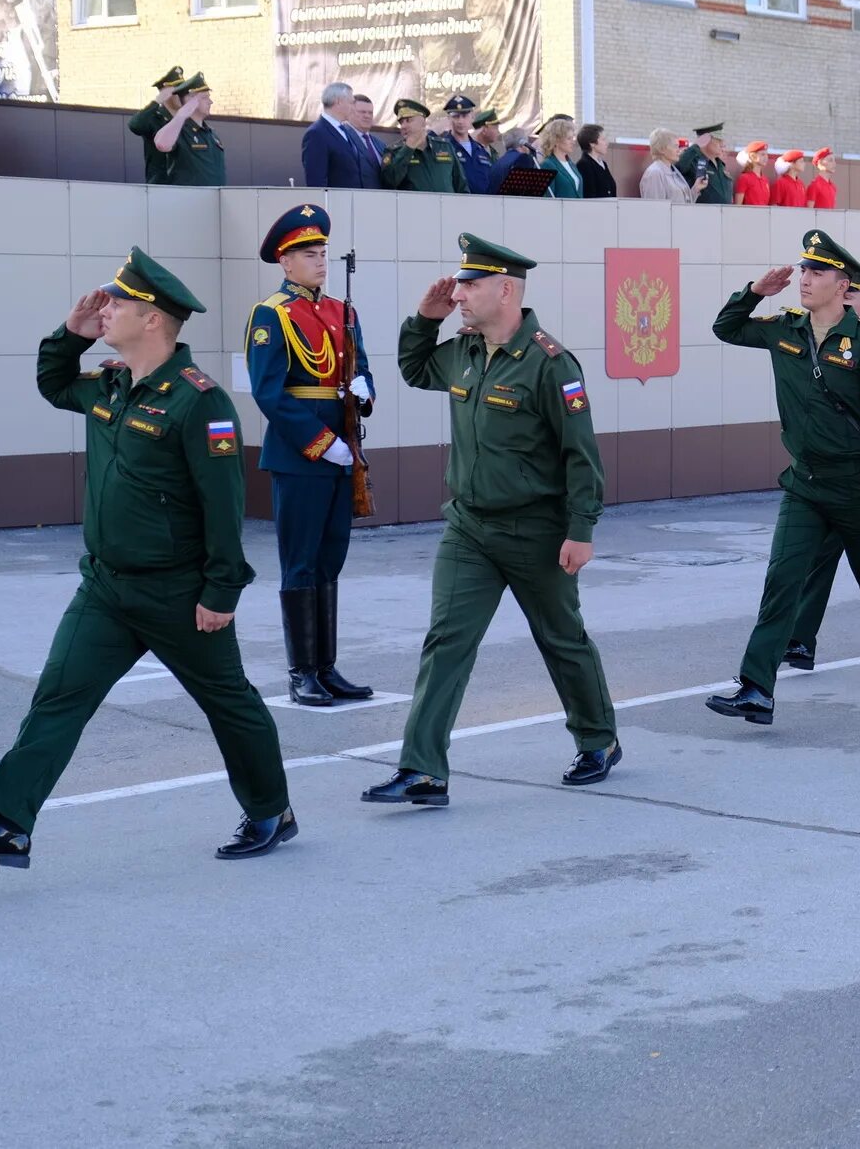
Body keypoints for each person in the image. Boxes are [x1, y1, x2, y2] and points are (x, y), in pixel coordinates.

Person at [0, 250, 296, 868]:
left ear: (155, 319)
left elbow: (224, 506)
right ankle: (9, 822)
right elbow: (54, 384)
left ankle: (272, 809)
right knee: (59, 695)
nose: (103, 310)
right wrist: (71, 335)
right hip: (105, 587)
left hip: (178, 592)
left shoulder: (200, 403)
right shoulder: (110, 384)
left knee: (228, 702)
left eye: (116, 304)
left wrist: (222, 591)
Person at [365, 234, 620, 806]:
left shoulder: (551, 363)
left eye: (469, 284)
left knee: (560, 638)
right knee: (446, 643)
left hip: (537, 530)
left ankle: (598, 739)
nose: (458, 293)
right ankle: (423, 769)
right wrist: (423, 320)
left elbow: (581, 454)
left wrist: (581, 530)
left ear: (505, 289)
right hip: (469, 528)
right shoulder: (465, 350)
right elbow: (413, 369)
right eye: (458, 284)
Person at [705, 232, 860, 723]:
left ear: (843, 285)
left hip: (859, 489)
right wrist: (755, 291)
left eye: (816, 273)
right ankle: (757, 687)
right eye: (803, 271)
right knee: (782, 581)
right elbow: (726, 328)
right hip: (804, 484)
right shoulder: (785, 328)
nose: (804, 280)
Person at [244, 203, 376, 706]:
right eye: (308, 253)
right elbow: (269, 392)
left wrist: (364, 390)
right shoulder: (271, 315)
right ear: (285, 262)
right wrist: (324, 445)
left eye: (322, 252)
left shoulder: (343, 311)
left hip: (344, 442)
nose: (320, 261)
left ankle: (327, 666)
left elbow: (359, 367)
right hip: (302, 452)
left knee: (330, 558)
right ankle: (302, 672)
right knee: (300, 561)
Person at [781, 275, 860, 672]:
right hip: (823, 481)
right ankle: (801, 640)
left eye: (855, 297)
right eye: (846, 294)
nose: (847, 303)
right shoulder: (813, 340)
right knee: (817, 562)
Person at [380, 98, 468, 193]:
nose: (403, 126)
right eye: (401, 122)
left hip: (445, 206)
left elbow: (461, 185)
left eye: (409, 120)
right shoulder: (394, 151)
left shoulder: (444, 146)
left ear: (423, 122)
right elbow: (389, 182)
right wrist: (408, 149)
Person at [153, 73, 226, 186]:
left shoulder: (211, 134)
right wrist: (181, 116)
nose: (210, 102)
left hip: (214, 200)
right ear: (190, 100)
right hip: (189, 200)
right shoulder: (179, 129)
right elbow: (162, 144)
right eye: (205, 97)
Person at [302, 81, 371, 190]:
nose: (354, 108)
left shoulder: (344, 130)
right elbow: (316, 182)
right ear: (339, 102)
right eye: (351, 103)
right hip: (335, 204)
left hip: (353, 201)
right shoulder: (316, 133)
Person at [127, 65, 183, 185]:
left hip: (187, 186)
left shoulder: (186, 119)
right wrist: (157, 100)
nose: (182, 94)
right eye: (177, 91)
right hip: (161, 187)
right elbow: (135, 125)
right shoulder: (155, 118)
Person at [443, 94, 494, 196]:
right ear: (449, 118)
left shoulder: (480, 150)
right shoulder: (443, 148)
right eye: (456, 116)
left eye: (464, 116)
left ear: (472, 117)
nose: (460, 121)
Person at [676, 122, 733, 204]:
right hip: (701, 213)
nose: (722, 144)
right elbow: (677, 168)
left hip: (724, 214)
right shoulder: (693, 160)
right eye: (718, 140)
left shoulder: (720, 164)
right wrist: (696, 145)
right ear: (705, 141)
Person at [641, 127, 701, 201]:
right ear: (661, 149)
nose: (679, 150)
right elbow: (655, 208)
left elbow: (684, 204)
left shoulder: (673, 170)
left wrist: (696, 188)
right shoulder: (655, 173)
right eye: (675, 146)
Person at [536, 116, 582, 199]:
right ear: (556, 140)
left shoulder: (571, 164)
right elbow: (548, 197)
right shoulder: (548, 165)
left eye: (573, 138)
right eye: (569, 138)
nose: (573, 142)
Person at [733, 141, 772, 206]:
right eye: (762, 154)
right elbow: (738, 205)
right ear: (752, 156)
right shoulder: (744, 178)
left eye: (766, 154)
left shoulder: (765, 179)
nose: (766, 157)